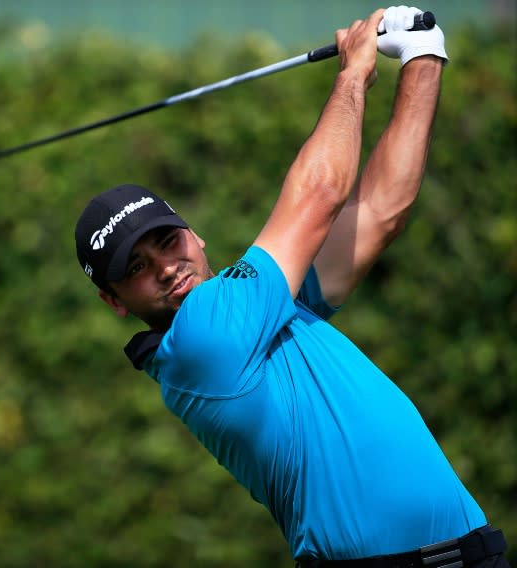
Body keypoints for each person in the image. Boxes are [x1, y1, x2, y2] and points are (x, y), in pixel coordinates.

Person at [74, 6, 510, 567]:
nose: (163, 266)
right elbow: (320, 192)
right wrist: (354, 73)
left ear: (196, 235)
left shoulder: (260, 308)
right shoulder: (206, 337)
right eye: (134, 267)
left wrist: (424, 57)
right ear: (113, 301)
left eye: (166, 240)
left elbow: (380, 212)